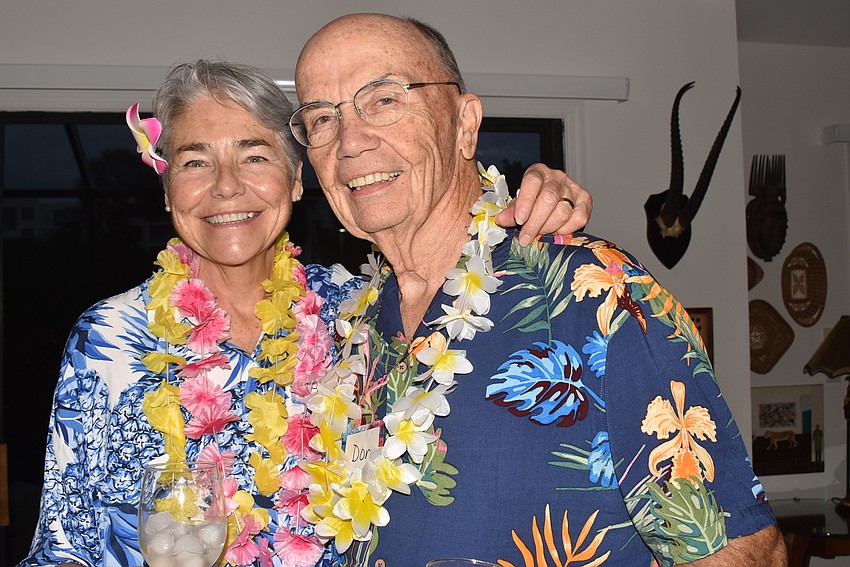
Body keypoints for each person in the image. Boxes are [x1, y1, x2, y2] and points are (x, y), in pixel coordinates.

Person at [18, 59, 591, 567]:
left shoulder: (360, 314)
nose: (226, 187)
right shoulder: (108, 337)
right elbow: (62, 548)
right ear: (168, 190)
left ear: (296, 180)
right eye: (195, 162)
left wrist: (533, 199)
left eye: (255, 156)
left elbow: (451, 251)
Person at [291, 13, 788, 567]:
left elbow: (744, 552)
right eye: (320, 120)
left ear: (464, 124)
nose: (350, 141)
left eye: (383, 99)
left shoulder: (595, 291)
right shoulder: (355, 331)